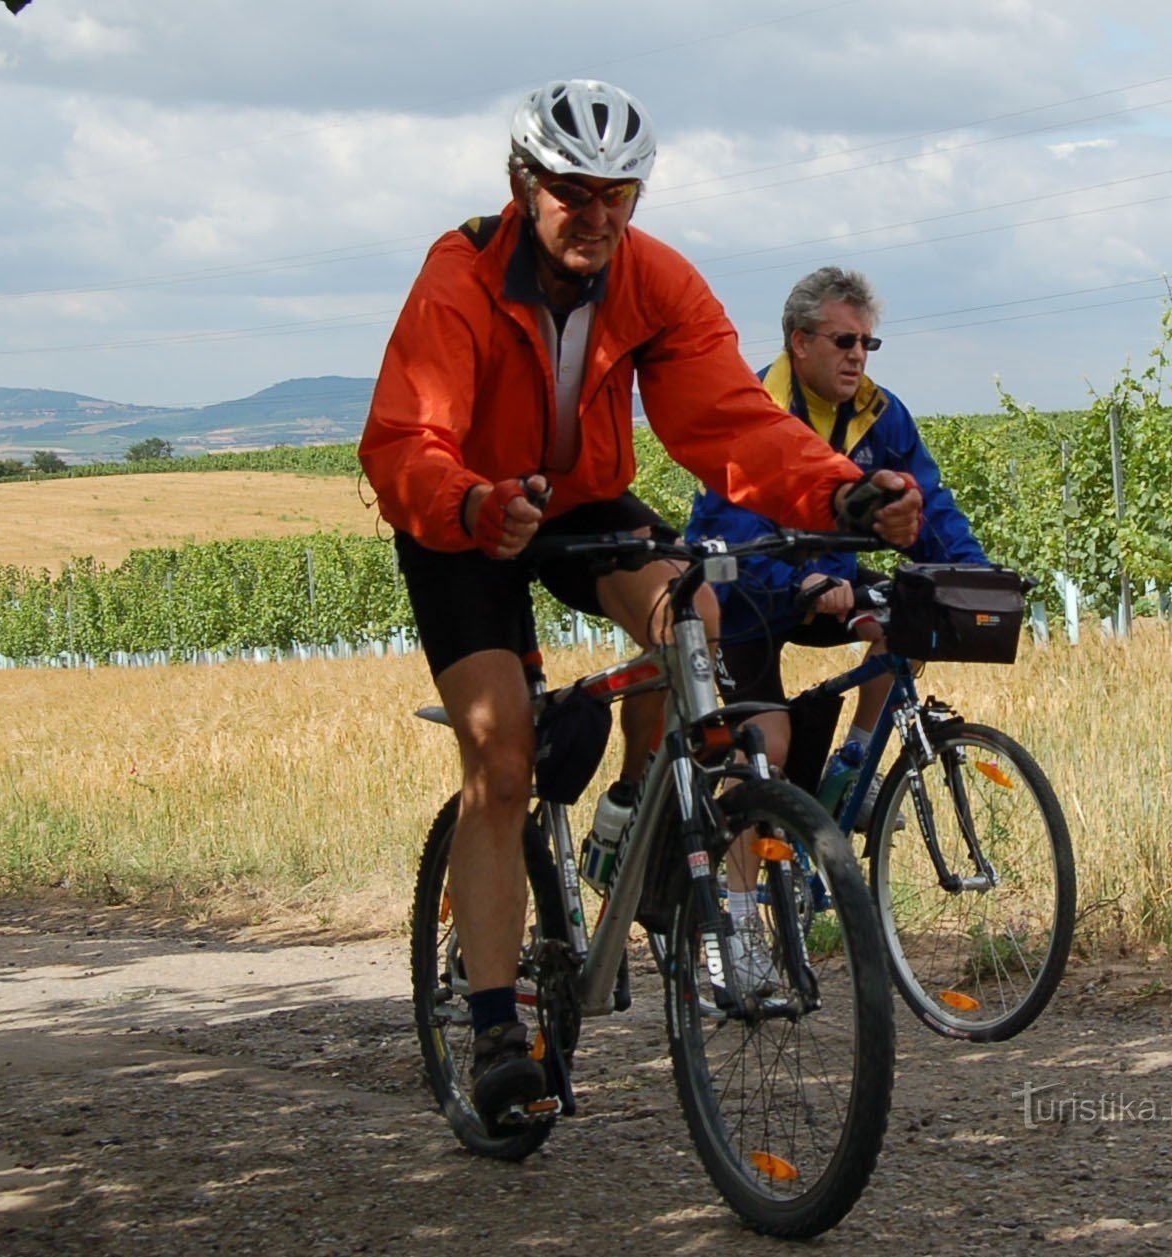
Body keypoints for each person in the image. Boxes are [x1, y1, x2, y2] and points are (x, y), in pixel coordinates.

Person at [359, 83, 921, 1134]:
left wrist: (837, 491)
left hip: (577, 502)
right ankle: (493, 1026)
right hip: (464, 521)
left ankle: (630, 820)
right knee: (503, 755)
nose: (599, 215)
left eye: (620, 193)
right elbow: (403, 439)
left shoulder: (653, 279)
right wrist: (471, 503)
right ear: (523, 184)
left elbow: (729, 420)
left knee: (691, 609)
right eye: (575, 192)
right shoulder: (458, 280)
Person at [687, 266, 987, 826]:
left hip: (831, 585)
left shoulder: (880, 412)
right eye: (844, 341)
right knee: (765, 750)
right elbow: (732, 529)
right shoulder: (755, 409)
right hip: (743, 598)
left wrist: (974, 574)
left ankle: (853, 770)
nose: (858, 355)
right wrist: (797, 580)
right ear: (799, 343)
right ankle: (739, 903)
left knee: (915, 617)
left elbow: (927, 506)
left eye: (867, 343)